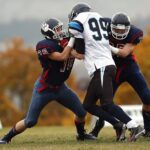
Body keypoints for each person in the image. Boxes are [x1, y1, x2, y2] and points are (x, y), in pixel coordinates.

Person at [0, 18, 95, 144]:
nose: (61, 31)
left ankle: (81, 134)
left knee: (81, 112)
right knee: (30, 121)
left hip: (61, 87)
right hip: (44, 88)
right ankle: (6, 138)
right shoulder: (44, 46)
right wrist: (72, 40)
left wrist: (79, 37)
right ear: (49, 32)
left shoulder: (65, 41)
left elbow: (79, 55)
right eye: (57, 30)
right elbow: (62, 57)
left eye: (61, 28)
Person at [68, 3, 144, 142]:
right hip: (105, 66)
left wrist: (69, 49)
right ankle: (117, 124)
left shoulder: (79, 21)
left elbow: (80, 53)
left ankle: (134, 126)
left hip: (102, 66)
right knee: (88, 105)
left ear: (76, 14)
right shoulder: (98, 17)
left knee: (107, 103)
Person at [90, 12, 150, 138]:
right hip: (111, 67)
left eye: (123, 30)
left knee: (147, 98)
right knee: (105, 102)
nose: (119, 32)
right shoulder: (103, 25)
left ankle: (148, 130)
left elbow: (123, 53)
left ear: (129, 29)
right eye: (116, 29)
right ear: (111, 26)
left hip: (129, 67)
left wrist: (105, 45)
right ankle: (96, 130)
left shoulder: (135, 33)